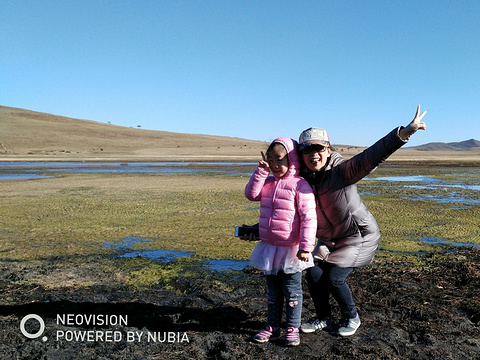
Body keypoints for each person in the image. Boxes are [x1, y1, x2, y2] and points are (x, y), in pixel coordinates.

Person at [298, 105, 427, 337]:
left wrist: (405, 132)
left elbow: (372, 155)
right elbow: (286, 214)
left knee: (334, 277)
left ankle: (351, 317)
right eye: (307, 149)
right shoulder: (302, 182)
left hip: (359, 236)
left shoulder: (342, 171)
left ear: (328, 149)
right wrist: (257, 230)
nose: (313, 154)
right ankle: (324, 318)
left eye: (318, 147)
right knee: (314, 272)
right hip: (331, 238)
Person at [244, 137, 317, 346]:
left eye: (279, 159)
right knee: (273, 292)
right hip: (270, 248)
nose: (275, 165)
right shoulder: (267, 182)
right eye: (271, 160)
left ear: (292, 159)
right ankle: (272, 326)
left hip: (292, 250)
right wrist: (261, 171)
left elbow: (309, 217)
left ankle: (292, 328)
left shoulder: (299, 185)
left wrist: (306, 247)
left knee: (292, 291)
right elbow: (251, 194)